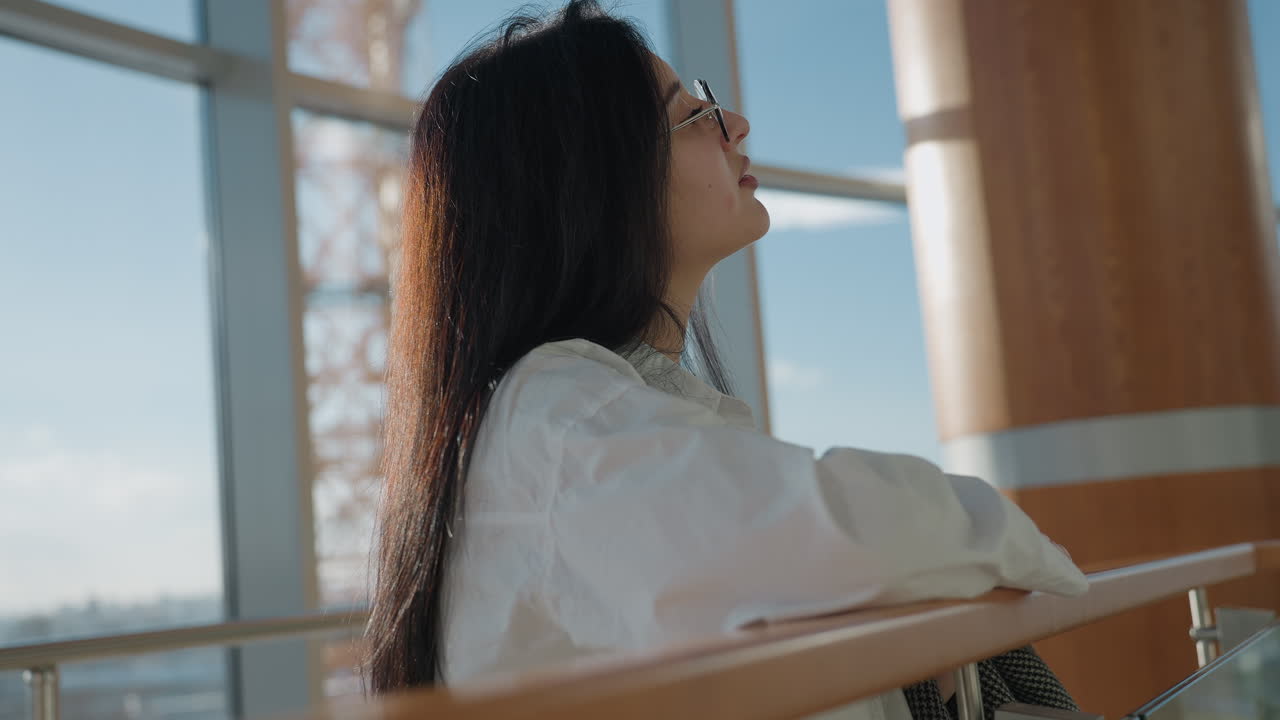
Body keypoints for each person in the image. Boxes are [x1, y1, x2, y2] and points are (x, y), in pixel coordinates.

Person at [363, 2, 1088, 718]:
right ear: (595, 183)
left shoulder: (584, 412)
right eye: (692, 115)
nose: (735, 125)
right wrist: (1036, 556)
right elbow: (848, 539)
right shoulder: (552, 421)